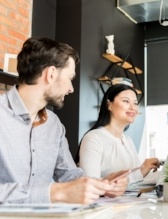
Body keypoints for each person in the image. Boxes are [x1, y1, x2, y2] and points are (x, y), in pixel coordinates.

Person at [0, 37, 128, 204]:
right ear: (51, 74)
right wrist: (54, 193)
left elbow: (69, 174)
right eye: (70, 78)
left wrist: (100, 185)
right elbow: (58, 191)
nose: (71, 89)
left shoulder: (54, 125)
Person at [77, 84, 160, 185]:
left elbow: (137, 180)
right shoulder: (93, 138)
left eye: (135, 103)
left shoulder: (128, 140)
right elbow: (91, 184)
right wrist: (141, 170)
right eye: (126, 101)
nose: (132, 107)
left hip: (129, 200)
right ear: (109, 105)